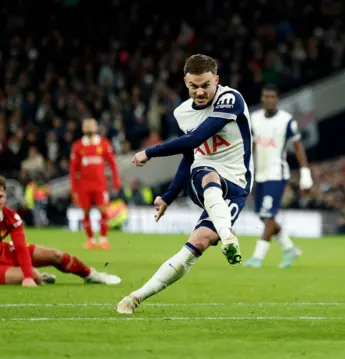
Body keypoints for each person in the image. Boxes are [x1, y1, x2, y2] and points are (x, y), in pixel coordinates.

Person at [116, 54, 253, 314]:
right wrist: (168, 196)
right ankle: (229, 238)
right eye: (193, 86)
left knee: (199, 242)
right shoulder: (182, 113)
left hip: (238, 182)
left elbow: (196, 138)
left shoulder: (231, 99)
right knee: (208, 173)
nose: (200, 92)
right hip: (204, 176)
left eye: (205, 85)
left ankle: (137, 296)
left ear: (217, 80)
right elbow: (189, 157)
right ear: (185, 82)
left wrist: (150, 152)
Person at [0, 176, 121, 286]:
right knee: (33, 275)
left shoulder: (11, 217)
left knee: (56, 255)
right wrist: (28, 277)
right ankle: (39, 278)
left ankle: (90, 275)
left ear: (5, 196)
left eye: (0, 196)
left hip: (4, 252)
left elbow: (21, 247)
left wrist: (27, 276)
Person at [244, 85, 311, 268]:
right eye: (265, 96)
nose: (269, 100)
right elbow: (252, 146)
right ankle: (290, 249)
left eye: (272, 96)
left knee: (267, 214)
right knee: (265, 217)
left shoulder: (287, 121)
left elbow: (298, 147)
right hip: (260, 174)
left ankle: (258, 257)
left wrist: (305, 173)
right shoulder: (255, 119)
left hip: (277, 173)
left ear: (277, 99)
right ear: (261, 98)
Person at [70, 118, 121, 250]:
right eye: (86, 125)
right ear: (82, 128)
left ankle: (103, 239)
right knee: (85, 212)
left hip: (100, 185)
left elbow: (113, 164)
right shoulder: (78, 146)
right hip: (84, 186)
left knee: (103, 211)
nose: (89, 127)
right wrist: (74, 189)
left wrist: (116, 182)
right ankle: (91, 240)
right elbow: (73, 170)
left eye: (91, 125)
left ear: (96, 127)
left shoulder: (103, 144)